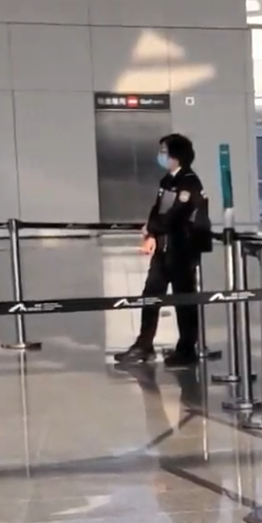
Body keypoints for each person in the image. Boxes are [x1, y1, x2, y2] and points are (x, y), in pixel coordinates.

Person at [114, 134, 208, 367]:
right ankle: (144, 345)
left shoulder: (189, 182)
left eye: (164, 151)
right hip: (164, 248)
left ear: (177, 154)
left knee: (183, 300)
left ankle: (187, 348)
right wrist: (151, 233)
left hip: (182, 250)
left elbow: (177, 215)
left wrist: (153, 228)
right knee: (150, 295)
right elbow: (157, 209)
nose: (161, 155)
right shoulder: (168, 180)